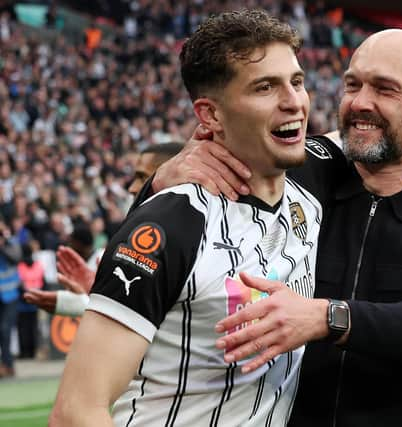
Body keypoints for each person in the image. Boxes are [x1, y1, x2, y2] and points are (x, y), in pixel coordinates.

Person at [149, 28, 402, 426]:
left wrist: (327, 317)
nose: (360, 103)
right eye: (352, 84)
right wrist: (164, 177)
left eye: (385, 89)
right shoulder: (300, 178)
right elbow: (169, 218)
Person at [50, 10, 324, 426]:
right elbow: (76, 411)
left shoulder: (313, 192)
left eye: (297, 81)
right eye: (265, 87)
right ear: (210, 115)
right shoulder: (172, 222)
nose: (293, 101)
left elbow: (390, 134)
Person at [23, 143, 184, 317]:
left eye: (142, 177)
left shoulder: (196, 245)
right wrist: (95, 298)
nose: (133, 188)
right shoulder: (145, 238)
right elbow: (145, 315)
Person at [0, 220, 21, 378]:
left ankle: (8, 364)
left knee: (5, 329)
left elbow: (16, 258)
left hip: (10, 294)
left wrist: (2, 245)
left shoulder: (11, 243)